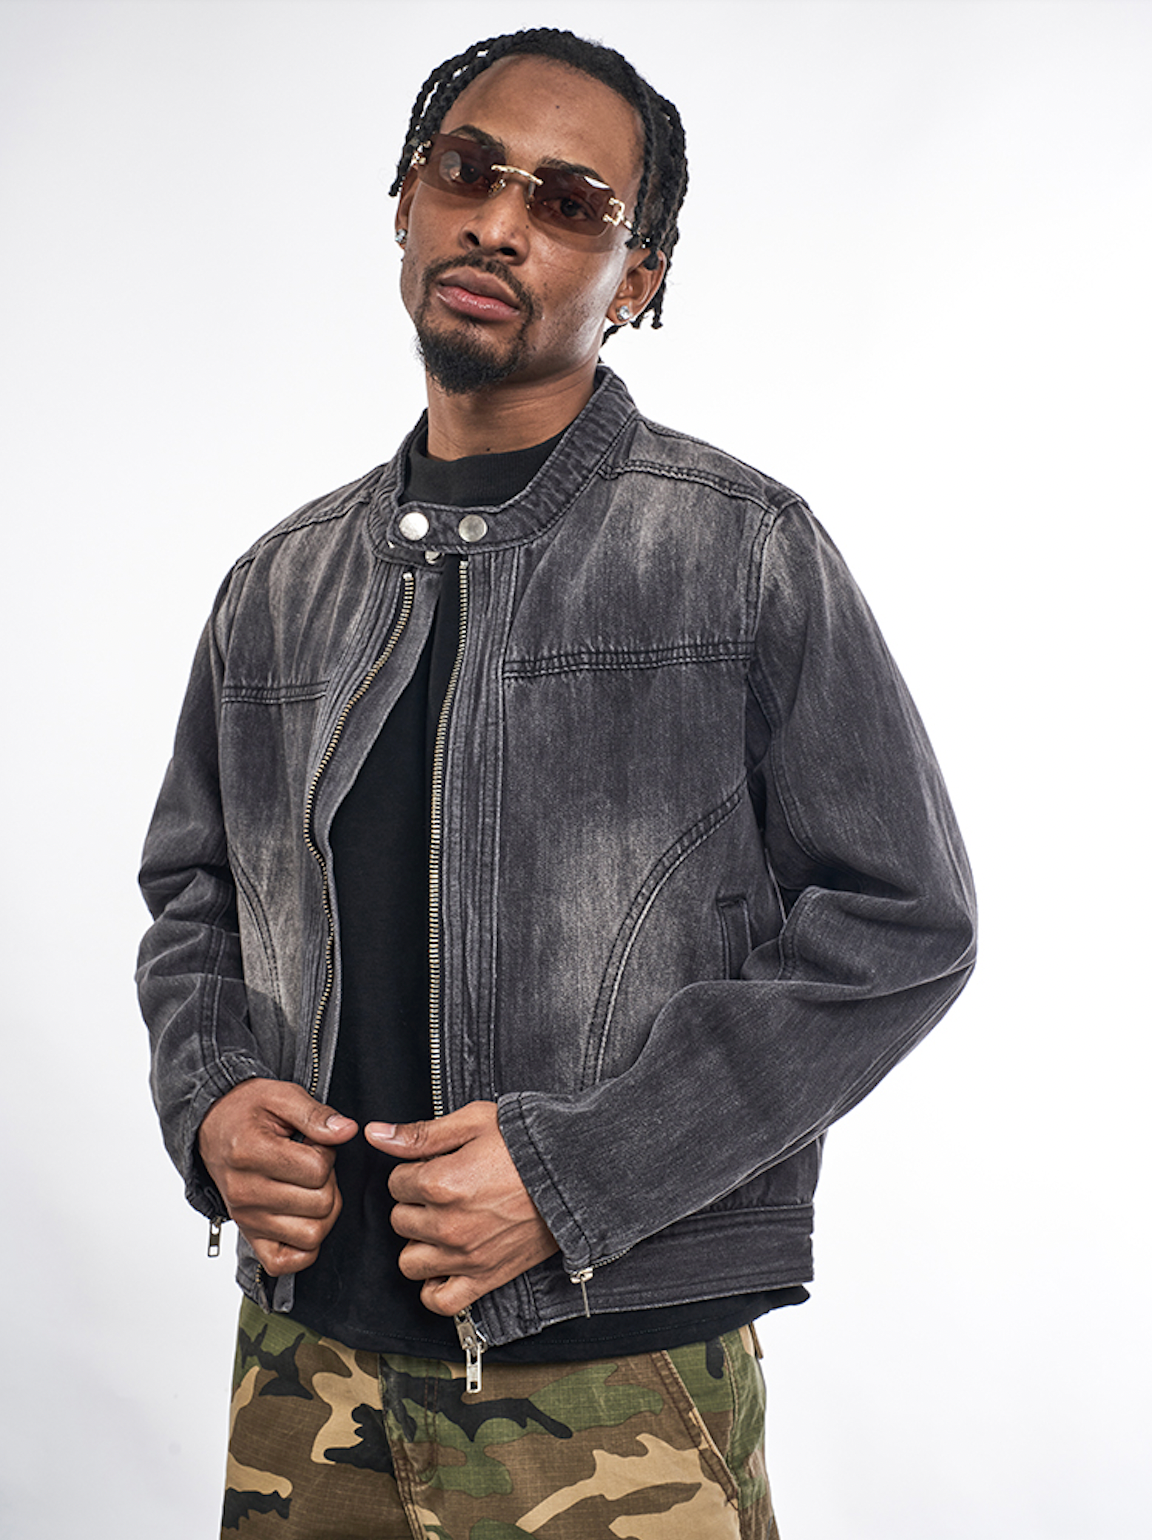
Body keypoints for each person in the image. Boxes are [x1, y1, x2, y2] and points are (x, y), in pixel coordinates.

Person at [138, 27, 975, 1540]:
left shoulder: (740, 551)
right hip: (303, 1371)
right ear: (407, 201)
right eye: (468, 170)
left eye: (570, 202)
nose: (499, 223)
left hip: (612, 1381)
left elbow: (904, 923)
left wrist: (577, 1172)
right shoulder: (277, 583)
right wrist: (209, 1104)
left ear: (637, 277)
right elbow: (195, 891)